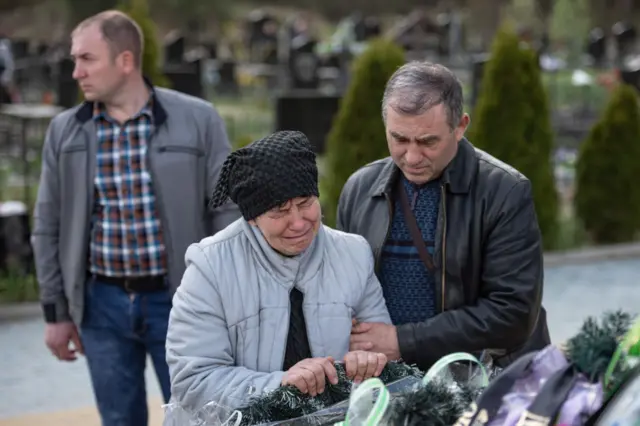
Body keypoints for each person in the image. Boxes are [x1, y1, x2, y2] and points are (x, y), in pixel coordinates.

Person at [31, 10, 239, 426]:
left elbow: (227, 213)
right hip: (101, 306)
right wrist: (56, 313)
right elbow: (47, 225)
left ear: (125, 61)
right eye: (75, 60)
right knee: (118, 420)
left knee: (198, 418)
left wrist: (227, 300)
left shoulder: (198, 120)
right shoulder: (65, 132)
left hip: (183, 302)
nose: (77, 72)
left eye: (87, 59)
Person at [337, 61, 551, 371]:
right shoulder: (359, 189)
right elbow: (340, 296)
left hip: (482, 379)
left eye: (427, 142)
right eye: (399, 139)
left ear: (461, 126)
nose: (411, 157)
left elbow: (513, 313)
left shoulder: (505, 190)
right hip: (385, 380)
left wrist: (404, 341)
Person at [166, 130, 392, 413]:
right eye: (279, 211)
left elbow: (382, 353)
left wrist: (367, 361)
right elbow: (193, 380)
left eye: (305, 203)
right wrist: (279, 384)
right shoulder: (210, 266)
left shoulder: (353, 254)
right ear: (251, 219)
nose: (298, 223)